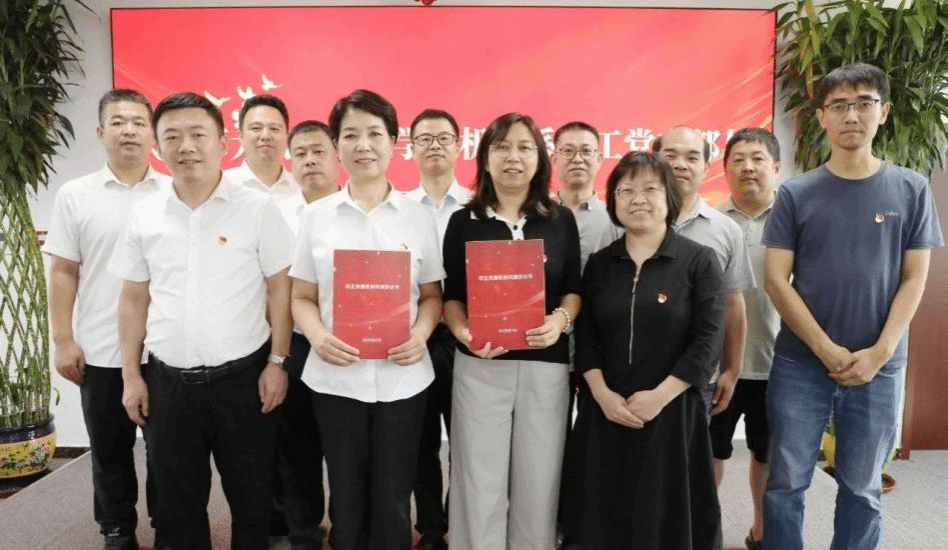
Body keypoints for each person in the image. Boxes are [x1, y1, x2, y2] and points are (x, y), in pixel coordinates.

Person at [761, 62, 943, 550]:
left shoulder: (911, 188)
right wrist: (824, 349)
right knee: (785, 485)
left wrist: (880, 352)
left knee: (862, 487)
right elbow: (776, 281)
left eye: (864, 103)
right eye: (838, 105)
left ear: (883, 112)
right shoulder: (795, 193)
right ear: (822, 116)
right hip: (801, 365)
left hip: (878, 367)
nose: (851, 115)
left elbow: (915, 278)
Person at [111, 91, 293, 550]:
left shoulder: (257, 208)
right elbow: (133, 298)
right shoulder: (144, 214)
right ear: (158, 146)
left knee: (252, 500)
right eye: (172, 136)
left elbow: (280, 289)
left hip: (245, 380)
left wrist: (278, 362)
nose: (186, 146)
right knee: (177, 506)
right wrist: (131, 374)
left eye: (198, 134)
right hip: (168, 384)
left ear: (224, 143)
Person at [289, 89, 444, 550]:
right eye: (350, 135)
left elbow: (432, 296)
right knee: (347, 493)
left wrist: (421, 333)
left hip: (403, 377)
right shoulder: (316, 217)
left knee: (394, 493)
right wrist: (317, 335)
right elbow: (301, 296)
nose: (363, 145)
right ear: (337, 145)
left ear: (393, 143)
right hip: (336, 378)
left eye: (374, 134)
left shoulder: (419, 218)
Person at [571, 150, 725, 550]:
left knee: (665, 516)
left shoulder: (698, 261)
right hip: (605, 410)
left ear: (669, 197)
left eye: (650, 189)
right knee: (605, 514)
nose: (638, 199)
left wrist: (659, 397)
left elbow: (708, 340)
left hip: (671, 410)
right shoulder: (599, 264)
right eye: (626, 191)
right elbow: (585, 338)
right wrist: (601, 394)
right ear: (613, 201)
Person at [442, 112, 582, 550]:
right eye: (502, 147)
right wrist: (465, 333)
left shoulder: (560, 220)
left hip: (546, 368)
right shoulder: (464, 222)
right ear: (485, 158)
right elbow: (451, 297)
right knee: (478, 477)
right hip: (481, 366)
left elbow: (573, 290)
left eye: (524, 147)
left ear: (540, 159)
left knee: (539, 479)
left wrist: (559, 322)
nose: (513, 157)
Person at [43, 88, 168, 550]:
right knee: (110, 449)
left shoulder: (175, 192)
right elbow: (63, 271)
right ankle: (117, 529)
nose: (128, 130)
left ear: (152, 133)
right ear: (100, 133)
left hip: (165, 347)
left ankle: (168, 524)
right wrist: (63, 340)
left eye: (138, 122)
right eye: (118, 122)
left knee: (168, 451)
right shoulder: (76, 195)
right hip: (100, 348)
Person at [404, 108, 472, 550]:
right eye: (424, 139)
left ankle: (461, 522)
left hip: (467, 338)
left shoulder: (478, 207)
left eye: (443, 138)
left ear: (458, 145)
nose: (434, 146)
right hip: (415, 337)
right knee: (421, 441)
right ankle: (431, 528)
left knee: (468, 441)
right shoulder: (399, 208)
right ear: (411, 149)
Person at [550, 120, 620, 549]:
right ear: (554, 158)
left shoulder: (617, 217)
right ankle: (553, 522)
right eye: (568, 150)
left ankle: (590, 526)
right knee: (551, 443)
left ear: (599, 158)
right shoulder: (538, 214)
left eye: (586, 151)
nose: (577, 159)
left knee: (595, 444)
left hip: (600, 352)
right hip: (548, 348)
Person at [711, 128, 782, 550]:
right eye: (738, 159)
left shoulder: (793, 222)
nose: (748, 167)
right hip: (719, 367)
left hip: (777, 364)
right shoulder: (711, 223)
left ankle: (760, 532)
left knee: (766, 455)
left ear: (776, 168)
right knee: (710, 453)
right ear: (725, 169)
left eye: (757, 159)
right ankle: (704, 532)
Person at [653, 128, 753, 422]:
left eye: (692, 157)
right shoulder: (627, 223)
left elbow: (733, 304)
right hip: (636, 375)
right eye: (670, 156)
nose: (680, 165)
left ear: (706, 167)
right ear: (654, 161)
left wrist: (732, 370)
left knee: (690, 451)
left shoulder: (725, 230)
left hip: (698, 378)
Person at [273, 119, 341, 550]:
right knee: (296, 447)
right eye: (300, 153)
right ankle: (303, 532)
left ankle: (348, 526)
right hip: (295, 343)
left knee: (347, 447)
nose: (310, 160)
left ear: (338, 156)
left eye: (318, 151)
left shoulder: (359, 208)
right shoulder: (275, 214)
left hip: (353, 346)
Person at [225, 93, 300, 202]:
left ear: (287, 137)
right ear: (241, 136)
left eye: (274, 129)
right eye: (256, 128)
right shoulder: (221, 186)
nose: (265, 136)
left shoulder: (303, 189)